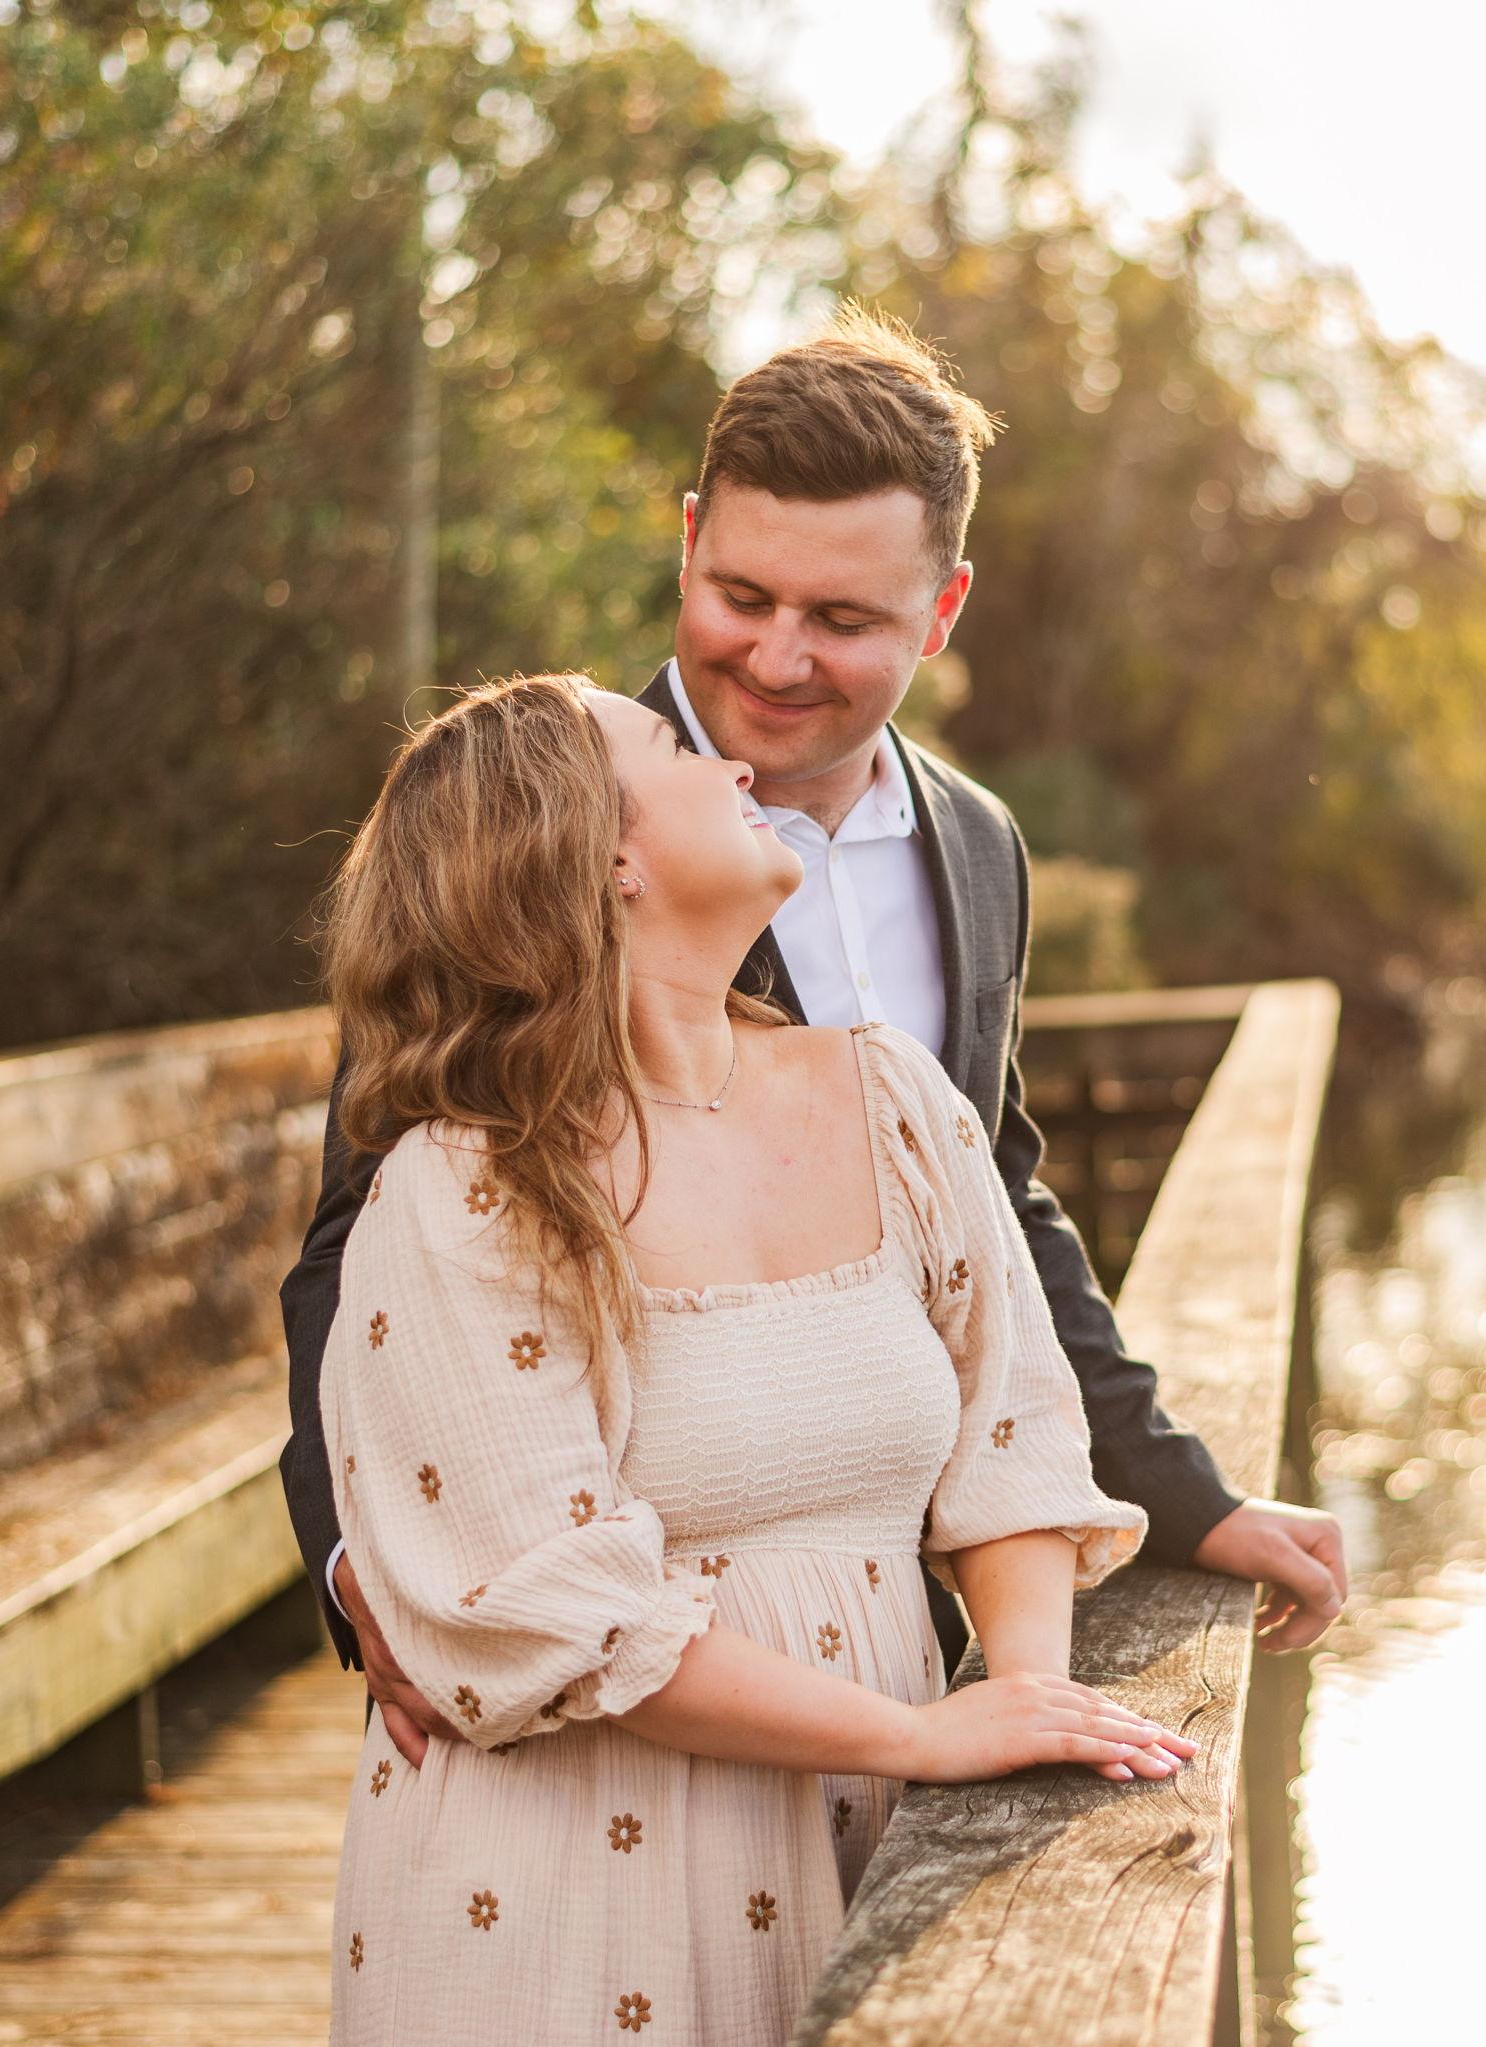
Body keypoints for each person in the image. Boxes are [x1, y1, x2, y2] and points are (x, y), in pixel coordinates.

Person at [279, 307, 1346, 1778]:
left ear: (943, 608)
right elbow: (363, 1226)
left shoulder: (977, 849)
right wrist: (364, 1570)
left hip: (908, 1631)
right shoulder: (549, 818)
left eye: (843, 620)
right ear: (690, 539)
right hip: (610, 1678)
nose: (775, 658)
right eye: (740, 594)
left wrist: (1189, 1497)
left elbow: (996, 1210)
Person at [314, 670, 1185, 2039]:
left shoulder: (890, 1094)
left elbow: (1012, 1437)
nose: (731, 765)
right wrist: (913, 1737)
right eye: (673, 749)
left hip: (883, 1833)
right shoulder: (461, 1188)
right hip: (573, 1896)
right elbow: (556, 1604)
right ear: (599, 854)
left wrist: (1021, 1695)